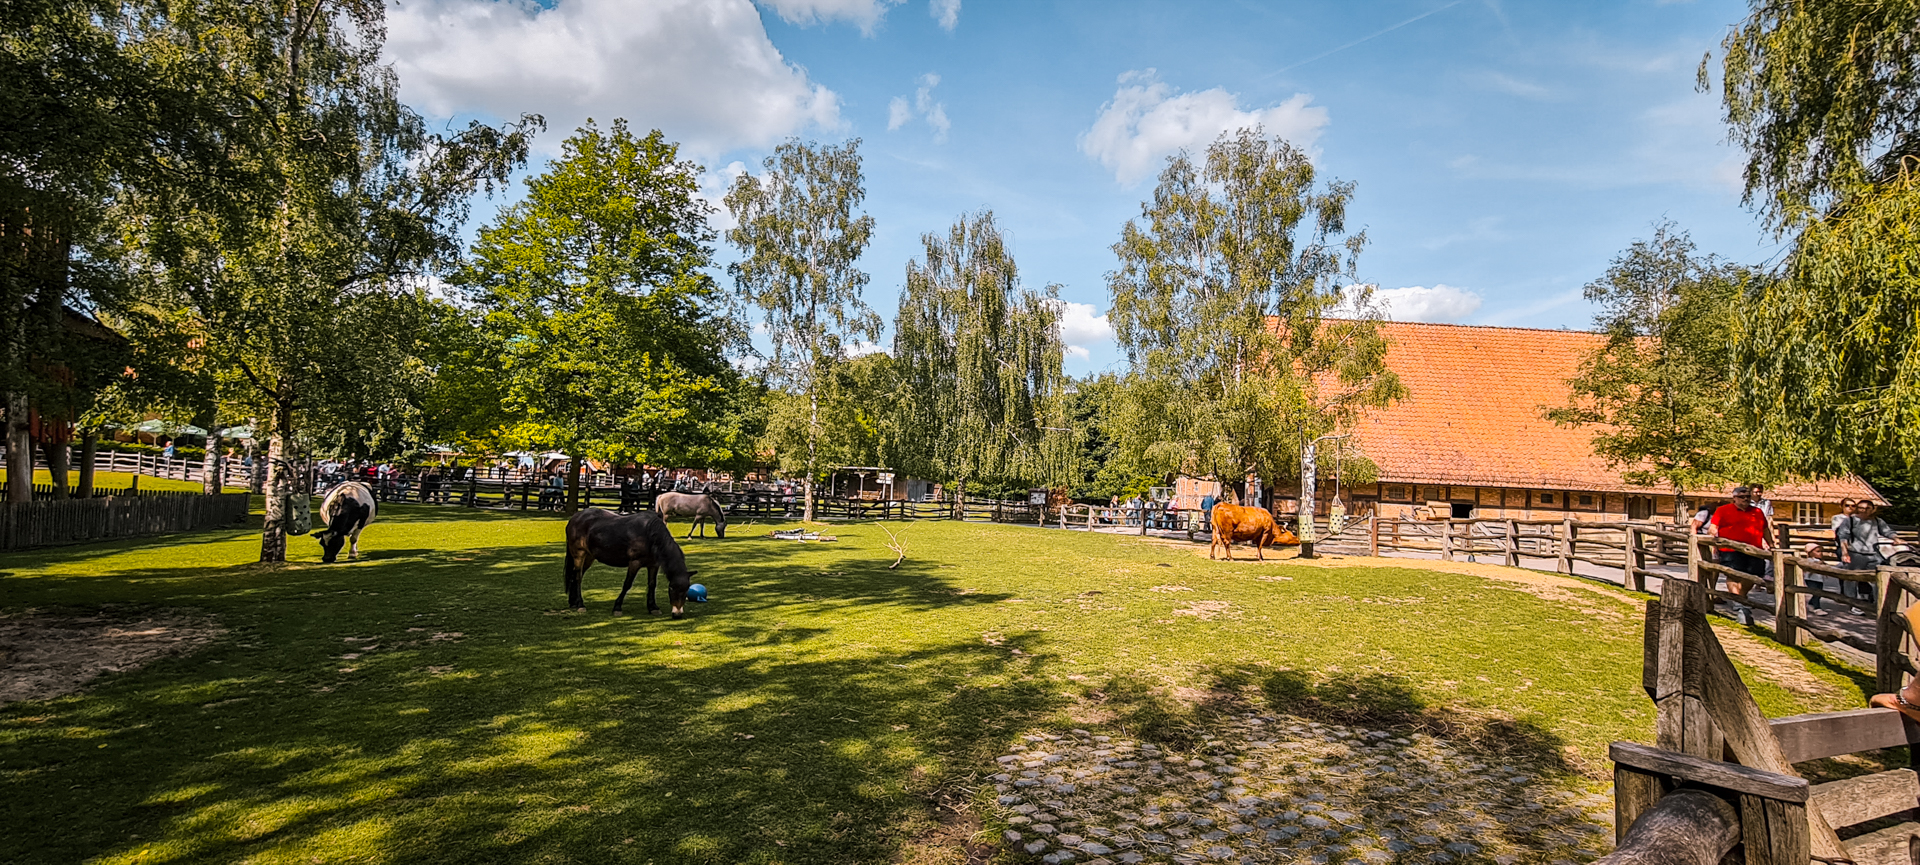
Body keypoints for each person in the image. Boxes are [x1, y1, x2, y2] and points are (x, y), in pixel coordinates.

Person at [1707, 485, 1771, 599]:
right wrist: (1713, 544)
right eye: (1742, 497)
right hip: (1730, 550)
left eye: (1747, 496)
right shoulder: (1723, 510)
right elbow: (1713, 528)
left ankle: (1740, 598)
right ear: (1734, 498)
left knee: (1753, 576)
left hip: (1754, 550)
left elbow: (1765, 529)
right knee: (1733, 575)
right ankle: (1738, 602)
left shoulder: (1757, 512)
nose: (1745, 499)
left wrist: (1771, 544)